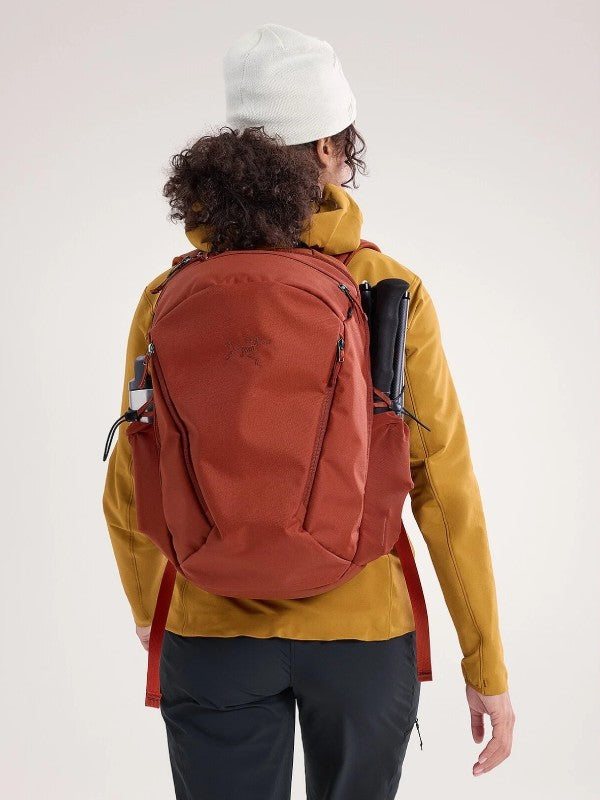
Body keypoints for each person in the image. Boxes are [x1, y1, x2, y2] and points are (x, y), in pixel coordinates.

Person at [102, 22, 515, 800]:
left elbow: (131, 480)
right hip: (362, 635)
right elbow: (443, 485)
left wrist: (151, 611)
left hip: (212, 630)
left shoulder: (167, 295)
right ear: (329, 146)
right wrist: (484, 663)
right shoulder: (388, 290)